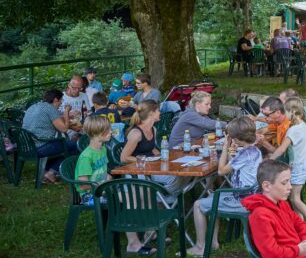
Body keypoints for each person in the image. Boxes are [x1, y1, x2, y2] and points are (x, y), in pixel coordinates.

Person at [186, 117, 264, 256]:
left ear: (236, 139)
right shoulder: (254, 150)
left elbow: (221, 171)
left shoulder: (243, 154)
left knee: (198, 205)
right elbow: (234, 165)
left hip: (242, 199)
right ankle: (214, 242)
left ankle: (200, 247)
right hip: (251, 195)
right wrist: (230, 153)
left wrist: (224, 148)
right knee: (213, 196)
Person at [120, 100, 184, 254]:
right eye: (158, 111)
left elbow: (152, 149)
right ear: (151, 113)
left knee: (180, 177)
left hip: (150, 170)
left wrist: (164, 155)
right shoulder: (136, 133)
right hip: (135, 173)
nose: (160, 113)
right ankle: (134, 242)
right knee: (143, 198)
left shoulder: (153, 129)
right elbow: (124, 157)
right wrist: (145, 160)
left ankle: (150, 231)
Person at [243, 160, 306, 258]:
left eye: (289, 181)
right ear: (266, 186)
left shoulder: (283, 204)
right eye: (284, 183)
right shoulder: (260, 216)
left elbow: (300, 224)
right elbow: (270, 253)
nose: (290, 187)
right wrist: (298, 250)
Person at [267, 97, 306, 231]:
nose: (283, 114)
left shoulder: (293, 130)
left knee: (295, 198)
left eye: (285, 111)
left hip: (300, 167)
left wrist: (270, 159)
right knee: (293, 198)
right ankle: (300, 225)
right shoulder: (302, 124)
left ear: (292, 112)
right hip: (304, 164)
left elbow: (282, 149)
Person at [22, 89, 80, 184]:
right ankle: (52, 172)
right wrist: (66, 111)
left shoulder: (34, 106)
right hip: (40, 147)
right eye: (61, 100)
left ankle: (46, 171)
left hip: (26, 146)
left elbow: (51, 119)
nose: (61, 103)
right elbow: (64, 129)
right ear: (56, 99)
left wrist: (65, 116)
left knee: (62, 145)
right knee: (75, 146)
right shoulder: (50, 109)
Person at [74, 115, 112, 206]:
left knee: (134, 191)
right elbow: (83, 185)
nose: (111, 132)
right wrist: (102, 183)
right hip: (89, 195)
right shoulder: (86, 157)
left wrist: (108, 177)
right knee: (126, 197)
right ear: (96, 133)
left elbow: (102, 171)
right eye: (107, 130)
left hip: (102, 188)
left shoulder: (103, 150)